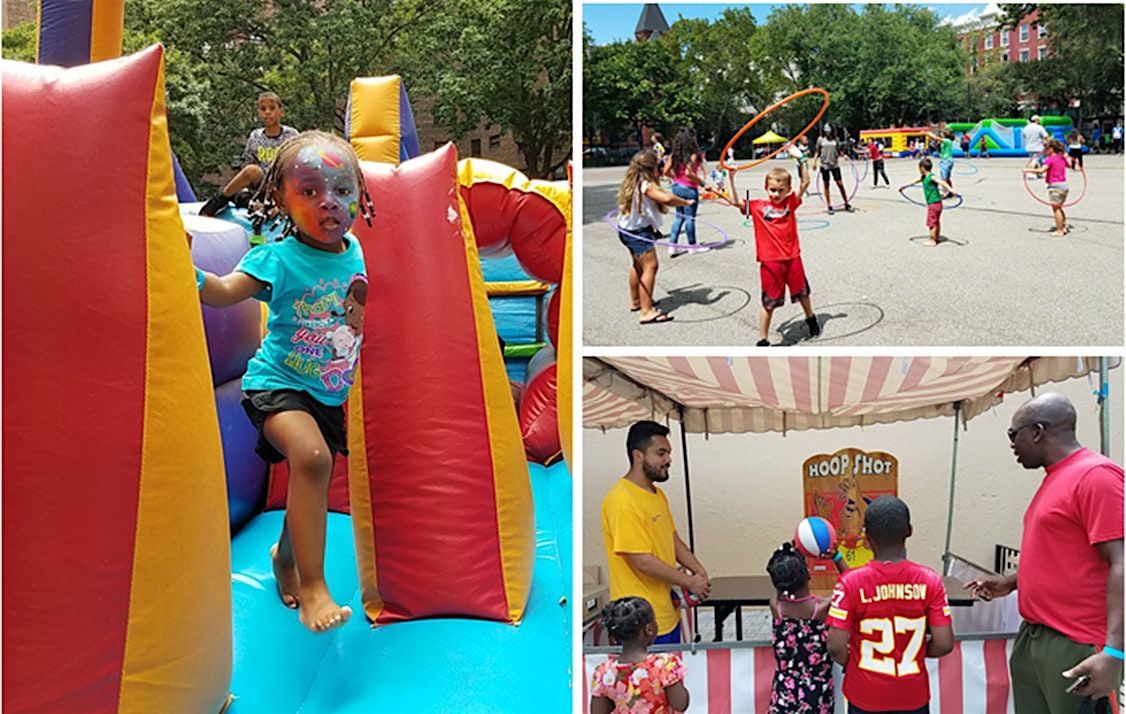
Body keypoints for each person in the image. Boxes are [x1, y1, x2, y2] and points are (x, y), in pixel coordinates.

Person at [194, 130, 374, 632]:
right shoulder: (278, 256)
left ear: (360, 193)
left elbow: (351, 313)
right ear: (281, 200)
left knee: (310, 477)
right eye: (310, 191)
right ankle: (315, 588)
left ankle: (285, 558)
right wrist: (185, 269)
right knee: (312, 458)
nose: (329, 203)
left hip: (327, 393)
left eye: (341, 189)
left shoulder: (354, 249)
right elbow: (227, 291)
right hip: (276, 384)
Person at [965, 393, 1123, 711]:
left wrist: (1114, 653)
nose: (1011, 445)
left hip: (1075, 644)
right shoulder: (1055, 478)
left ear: (1037, 431)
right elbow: (1063, 557)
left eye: (1013, 434)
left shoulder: (1096, 477)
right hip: (1035, 636)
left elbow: (1121, 562)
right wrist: (1010, 582)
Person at [826, 496, 955, 713]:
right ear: (910, 530)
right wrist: (914, 652)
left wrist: (854, 664)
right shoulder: (930, 580)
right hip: (913, 696)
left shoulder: (850, 583)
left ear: (867, 538)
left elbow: (835, 645)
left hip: (864, 694)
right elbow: (944, 643)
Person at [601, 421, 711, 644]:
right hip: (638, 625)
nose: (668, 459)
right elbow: (642, 561)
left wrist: (699, 572)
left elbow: (672, 539)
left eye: (669, 453)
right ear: (638, 455)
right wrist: (689, 582)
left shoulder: (656, 494)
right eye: (661, 453)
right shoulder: (622, 500)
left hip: (666, 615)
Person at [727, 150, 820, 346]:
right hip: (770, 261)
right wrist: (730, 176)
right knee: (768, 301)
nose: (776, 194)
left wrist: (802, 158)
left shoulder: (790, 203)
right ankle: (763, 338)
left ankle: (810, 317)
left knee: (802, 292)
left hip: (792, 257)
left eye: (780, 190)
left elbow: (805, 183)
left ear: (787, 190)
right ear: (766, 188)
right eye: (772, 190)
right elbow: (734, 202)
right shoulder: (758, 206)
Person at [765, 541, 849, 713]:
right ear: (808, 576)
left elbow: (782, 581)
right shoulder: (821, 609)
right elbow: (851, 583)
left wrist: (791, 552)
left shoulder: (776, 607)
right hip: (816, 696)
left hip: (783, 696)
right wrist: (836, 557)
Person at [615, 150, 693, 325]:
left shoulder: (633, 182)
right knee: (651, 266)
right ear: (651, 169)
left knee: (638, 265)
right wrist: (685, 202)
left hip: (626, 229)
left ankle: (636, 301)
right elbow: (666, 198)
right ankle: (646, 311)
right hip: (637, 233)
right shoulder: (645, 185)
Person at [200, 92, 299, 217]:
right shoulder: (255, 136)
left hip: (283, 184)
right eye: (263, 109)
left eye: (272, 108)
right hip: (262, 184)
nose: (267, 112)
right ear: (259, 113)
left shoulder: (291, 135)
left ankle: (269, 205)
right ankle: (217, 201)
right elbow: (247, 165)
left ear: (281, 112)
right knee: (252, 170)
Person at [589, 597, 690, 714]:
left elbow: (598, 711)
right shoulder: (665, 664)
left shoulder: (604, 672)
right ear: (649, 629)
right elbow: (681, 704)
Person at [665, 129, 707, 256]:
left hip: (676, 187)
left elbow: (666, 171)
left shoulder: (674, 155)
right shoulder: (693, 155)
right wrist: (703, 184)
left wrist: (676, 178)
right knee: (689, 218)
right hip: (689, 189)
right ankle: (692, 246)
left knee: (679, 217)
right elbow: (689, 173)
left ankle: (672, 246)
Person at [900, 158, 957, 247]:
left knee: (932, 222)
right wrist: (905, 186)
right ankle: (936, 237)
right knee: (936, 221)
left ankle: (932, 240)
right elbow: (916, 181)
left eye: (919, 168)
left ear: (922, 168)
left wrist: (951, 190)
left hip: (933, 202)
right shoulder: (924, 177)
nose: (919, 170)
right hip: (936, 203)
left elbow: (942, 182)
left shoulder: (931, 177)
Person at [1023, 140, 1070, 236]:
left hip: (1056, 187)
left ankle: (1059, 230)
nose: (1045, 151)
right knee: (1059, 207)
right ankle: (1063, 227)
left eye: (1046, 149)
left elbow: (1041, 170)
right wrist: (1066, 156)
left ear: (1051, 149)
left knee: (1056, 209)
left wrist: (1027, 170)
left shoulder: (1050, 159)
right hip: (1064, 186)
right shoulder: (1061, 158)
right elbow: (1069, 165)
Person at [813, 125, 853, 214]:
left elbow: (838, 150)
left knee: (840, 184)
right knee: (826, 185)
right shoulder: (820, 139)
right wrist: (815, 162)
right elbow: (817, 151)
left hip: (835, 164)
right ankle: (829, 205)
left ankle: (846, 203)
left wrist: (844, 155)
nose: (827, 131)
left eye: (829, 129)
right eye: (825, 129)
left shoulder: (836, 139)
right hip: (825, 165)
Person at [926, 127, 957, 197]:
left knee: (943, 179)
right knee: (947, 178)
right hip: (947, 160)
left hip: (946, 161)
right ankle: (950, 191)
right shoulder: (947, 142)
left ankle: (945, 193)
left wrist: (929, 134)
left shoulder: (947, 141)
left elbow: (937, 138)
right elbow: (940, 148)